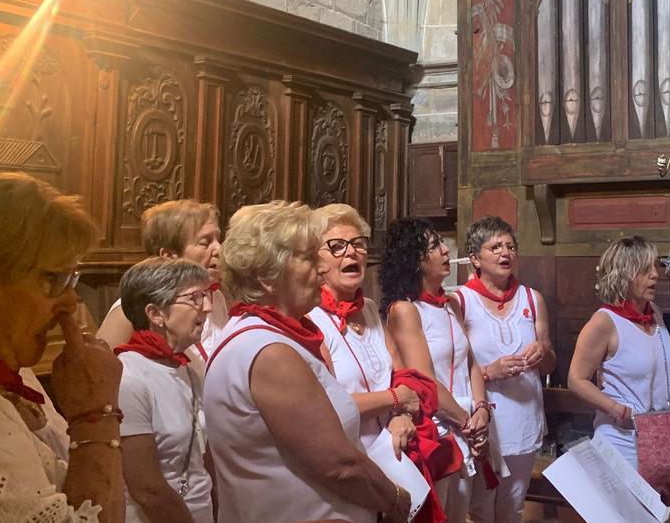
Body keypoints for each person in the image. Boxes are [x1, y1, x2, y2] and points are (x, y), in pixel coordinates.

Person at [203, 201, 408, 523]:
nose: (322, 269)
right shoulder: (269, 351)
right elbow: (339, 465)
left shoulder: (264, 336)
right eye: (309, 258)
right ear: (267, 276)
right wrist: (394, 498)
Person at [0, 168, 124, 522]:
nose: (71, 303)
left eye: (72, 279)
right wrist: (95, 416)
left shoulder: (14, 374)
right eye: (53, 279)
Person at [381, 217, 491, 523]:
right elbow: (425, 381)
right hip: (437, 430)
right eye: (434, 246)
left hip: (464, 426)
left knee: (461, 514)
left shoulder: (450, 304)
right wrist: (468, 422)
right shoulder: (405, 310)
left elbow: (470, 362)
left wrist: (482, 409)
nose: (445, 250)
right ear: (415, 260)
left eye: (441, 243)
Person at [455, 216, 555, 522]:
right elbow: (451, 369)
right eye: (495, 247)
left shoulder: (532, 299)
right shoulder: (460, 301)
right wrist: (489, 372)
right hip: (483, 423)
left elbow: (551, 362)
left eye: (510, 246)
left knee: (513, 507)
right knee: (480, 509)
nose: (505, 253)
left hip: (524, 420)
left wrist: (542, 354)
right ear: (475, 258)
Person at [567, 235, 670, 478]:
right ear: (624, 275)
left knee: (659, 503)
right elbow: (576, 380)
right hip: (623, 442)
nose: (655, 274)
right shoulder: (604, 322)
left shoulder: (656, 314)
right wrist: (618, 410)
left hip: (662, 438)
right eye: (645, 269)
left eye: (654, 266)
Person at [308, 204, 419, 453]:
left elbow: (402, 373)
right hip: (348, 454)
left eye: (358, 243)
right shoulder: (310, 318)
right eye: (337, 246)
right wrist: (397, 398)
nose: (352, 252)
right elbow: (329, 403)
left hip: (392, 451)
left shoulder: (368, 308)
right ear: (315, 259)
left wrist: (400, 415)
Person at [114, 258, 215, 523]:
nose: (207, 307)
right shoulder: (128, 378)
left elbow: (201, 460)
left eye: (206, 295)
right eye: (194, 298)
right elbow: (147, 489)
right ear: (156, 313)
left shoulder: (187, 369)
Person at [97, 199, 227, 363]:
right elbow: (99, 369)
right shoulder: (131, 308)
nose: (219, 249)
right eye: (205, 242)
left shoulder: (217, 298)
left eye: (218, 239)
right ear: (169, 256)